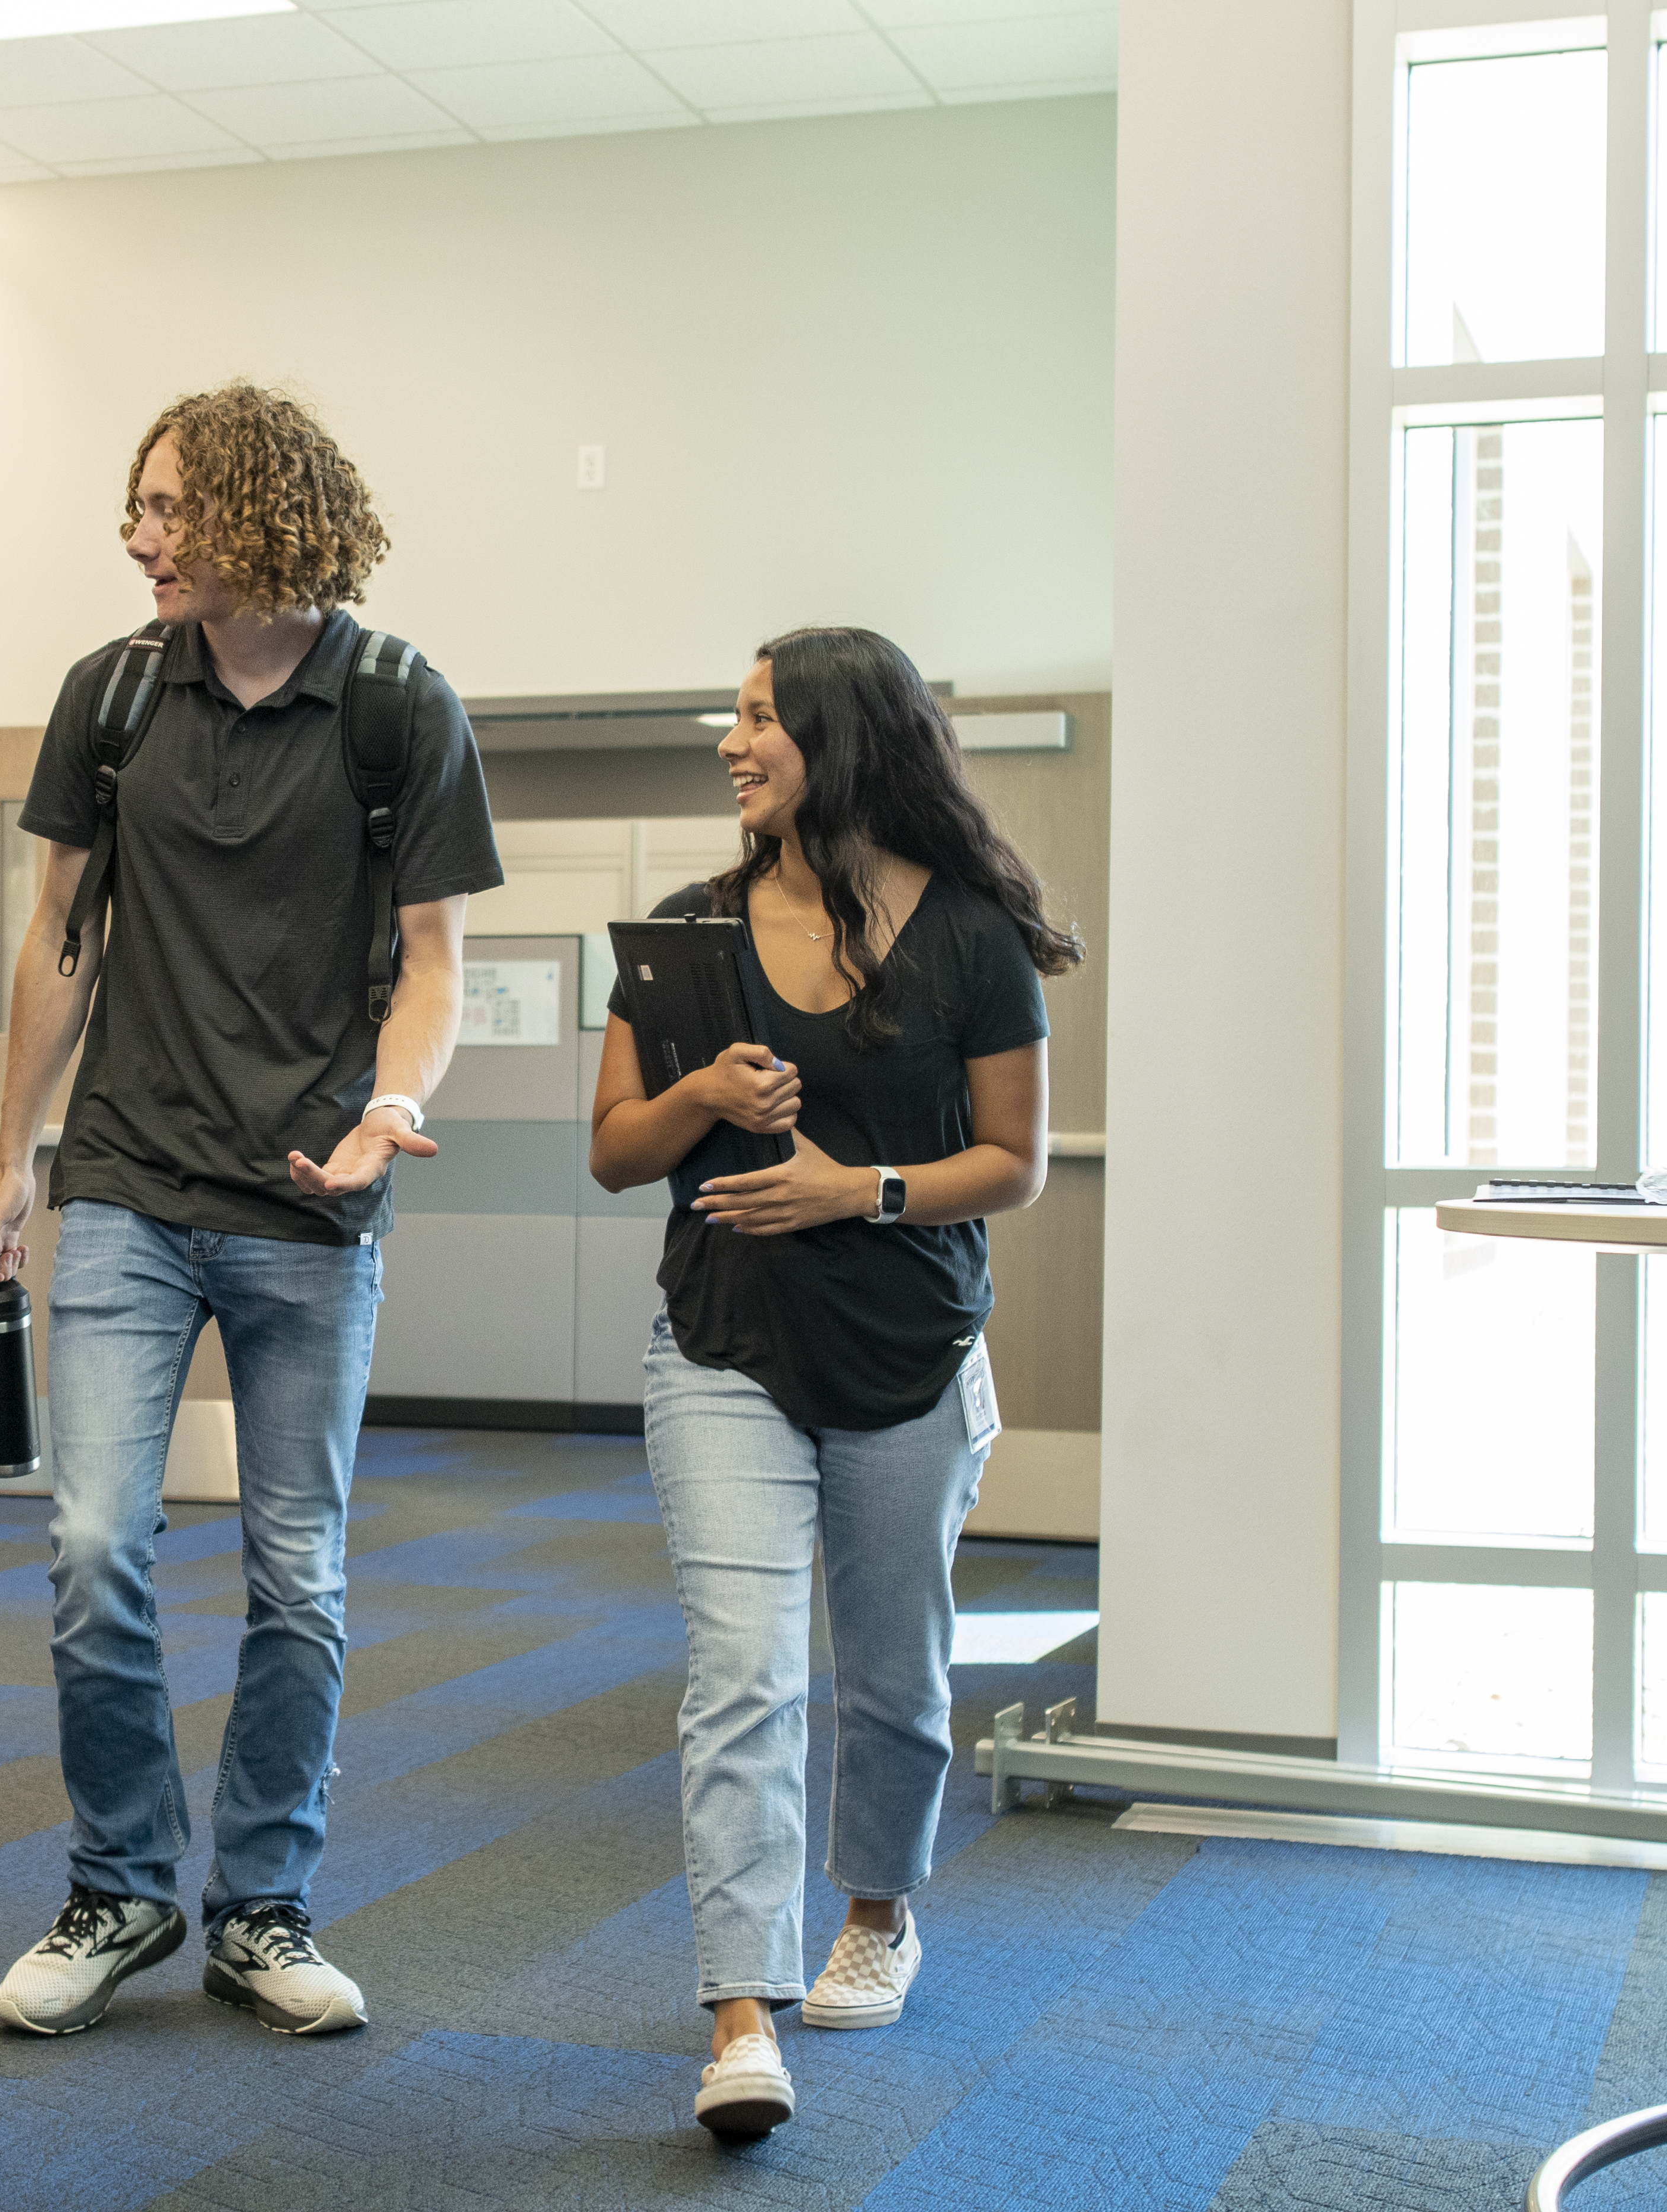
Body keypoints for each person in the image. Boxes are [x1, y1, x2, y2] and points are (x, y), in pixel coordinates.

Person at [0, 382, 501, 2040]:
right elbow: (61, 937)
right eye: (137, 509)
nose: (140, 538)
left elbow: (432, 968)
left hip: (309, 1200)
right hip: (126, 1177)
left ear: (268, 512)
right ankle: (123, 1885)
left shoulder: (401, 706)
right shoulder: (113, 695)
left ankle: (262, 1905)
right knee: (93, 1543)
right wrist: (10, 1162)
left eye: (172, 509)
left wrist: (392, 1106)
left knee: (299, 1574)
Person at [586, 626, 1077, 2139]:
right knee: (742, 1670)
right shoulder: (686, 934)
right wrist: (694, 1097)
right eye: (730, 719)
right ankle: (742, 2008)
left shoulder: (971, 934)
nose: (730, 743)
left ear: (837, 738)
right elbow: (612, 1149)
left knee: (891, 1674)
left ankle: (878, 1908)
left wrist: (850, 1188)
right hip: (723, 1346)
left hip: (908, 1351)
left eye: (756, 719)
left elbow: (1014, 1162)